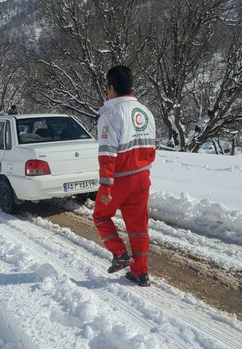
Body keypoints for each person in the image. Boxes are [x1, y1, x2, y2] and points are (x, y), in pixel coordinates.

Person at [92, 65, 156, 286]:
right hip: (142, 177)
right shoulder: (145, 112)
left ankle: (119, 254)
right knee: (138, 227)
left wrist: (107, 186)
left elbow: (107, 153)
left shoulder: (111, 114)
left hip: (119, 178)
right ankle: (141, 272)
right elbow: (151, 149)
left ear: (111, 87)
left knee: (100, 215)